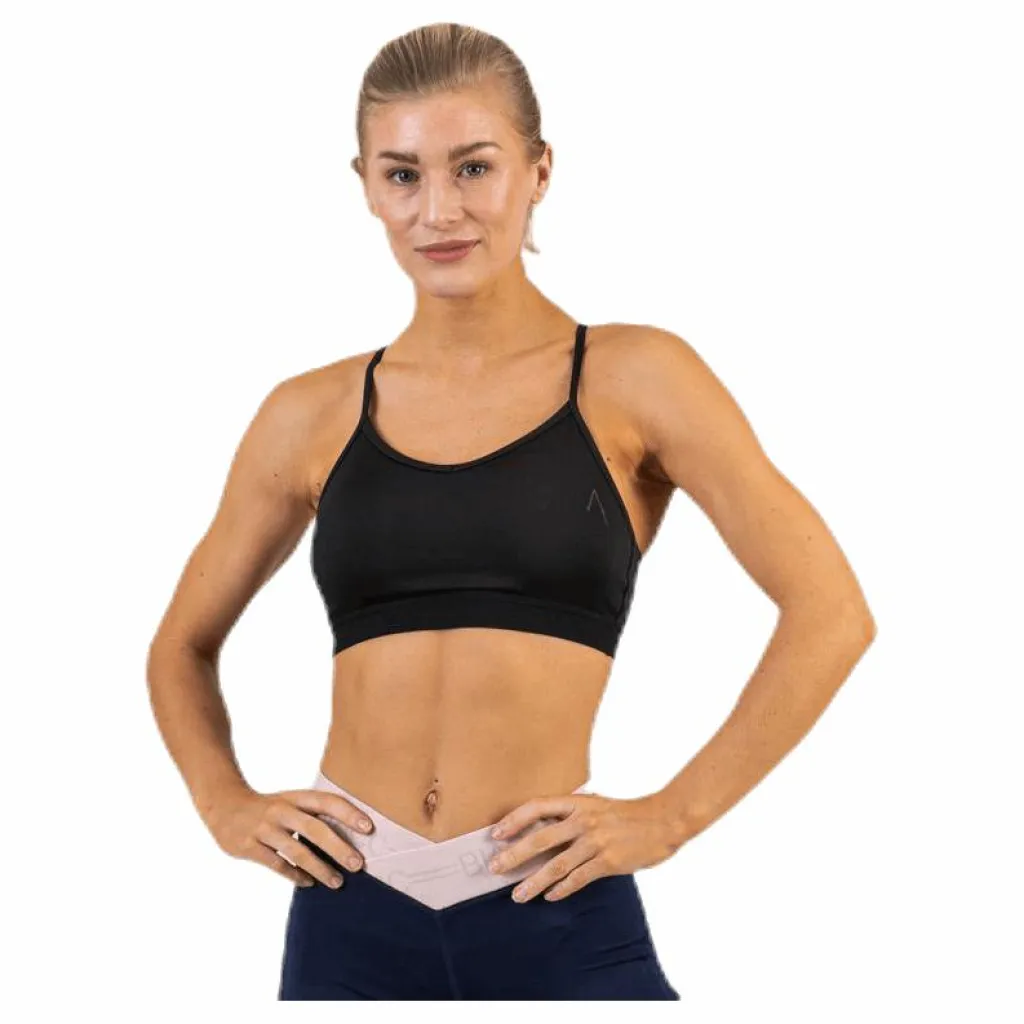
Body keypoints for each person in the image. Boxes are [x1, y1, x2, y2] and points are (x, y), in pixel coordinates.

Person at [146, 21, 876, 1002]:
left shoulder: (634, 376)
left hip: (552, 896)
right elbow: (181, 645)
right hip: (351, 906)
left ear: (538, 171)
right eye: (402, 175)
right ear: (365, 186)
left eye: (474, 167)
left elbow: (832, 611)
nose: (438, 210)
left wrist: (670, 817)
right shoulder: (307, 413)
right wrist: (223, 803)